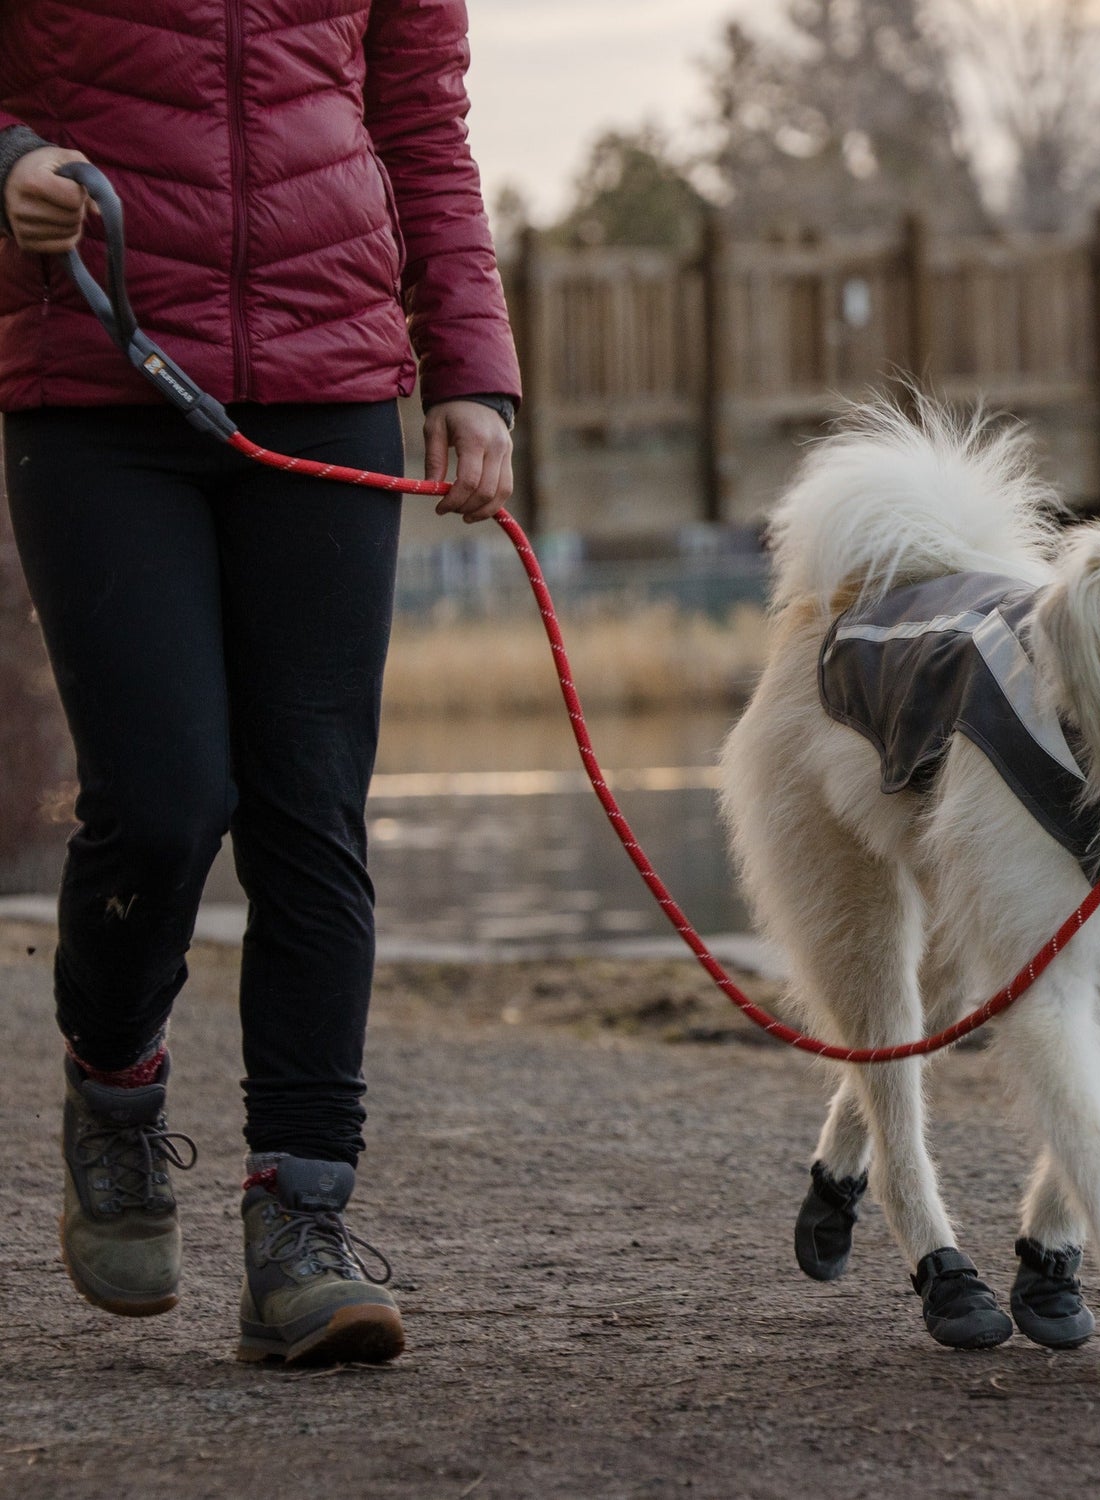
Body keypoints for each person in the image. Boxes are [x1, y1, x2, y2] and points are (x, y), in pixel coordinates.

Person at [0, 0, 521, 1366]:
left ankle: (301, 1220)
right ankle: (114, 1089)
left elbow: (422, 127)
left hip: (329, 376)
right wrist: (8, 161)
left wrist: (473, 370)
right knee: (164, 801)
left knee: (310, 808)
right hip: (98, 383)